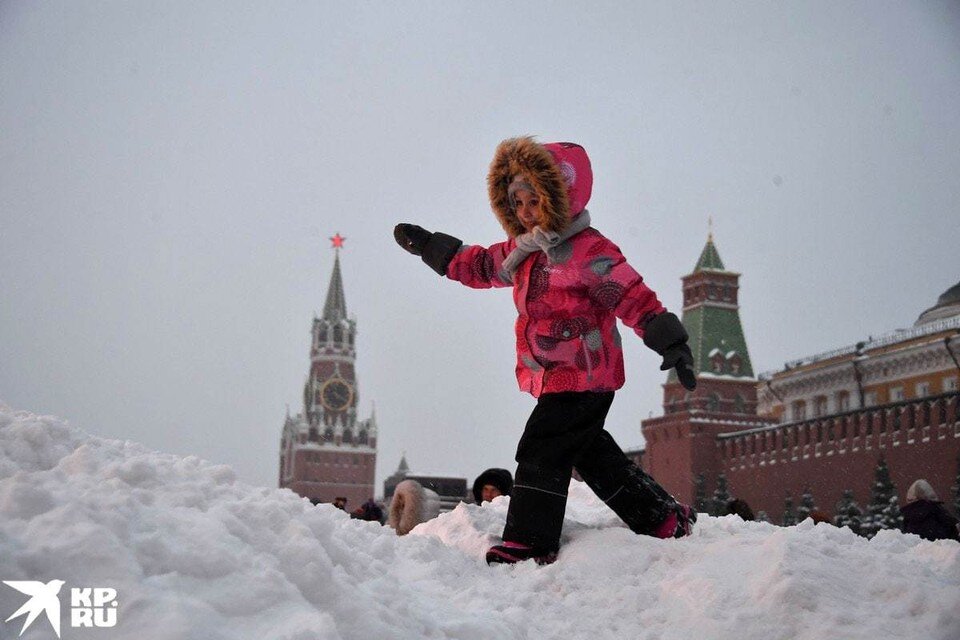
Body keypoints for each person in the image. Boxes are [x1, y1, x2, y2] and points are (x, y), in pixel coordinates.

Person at [394, 137, 698, 566]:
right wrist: (431, 248)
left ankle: (531, 539)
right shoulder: (524, 252)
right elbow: (479, 265)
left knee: (542, 447)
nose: (523, 212)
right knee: (591, 453)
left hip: (587, 372)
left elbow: (630, 294)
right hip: (553, 373)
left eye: (532, 200)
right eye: (515, 203)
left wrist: (670, 340)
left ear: (559, 196)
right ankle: (663, 518)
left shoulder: (589, 252)